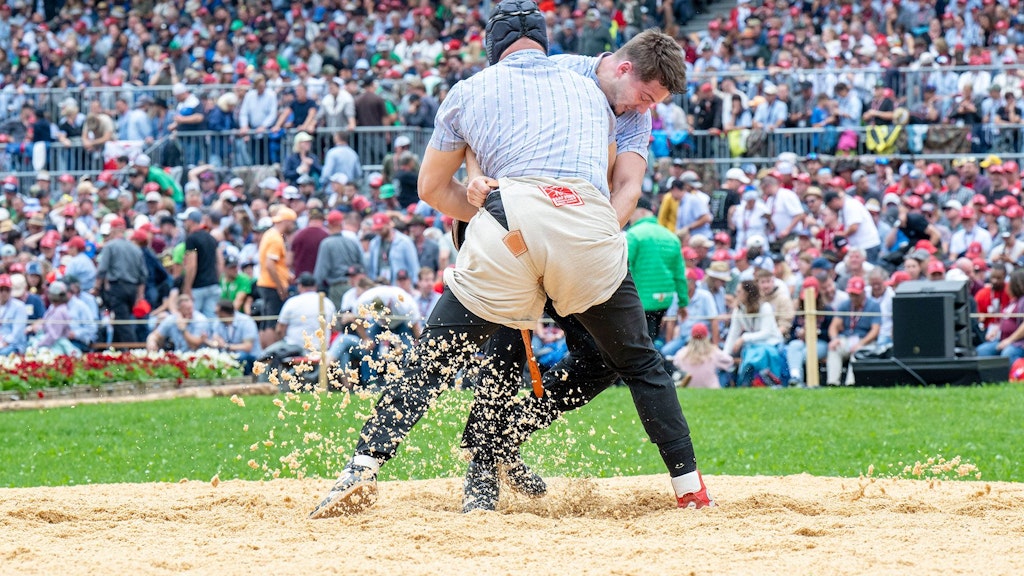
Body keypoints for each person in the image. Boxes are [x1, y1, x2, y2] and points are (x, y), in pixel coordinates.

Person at [310, 6, 712, 518]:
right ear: (623, 69)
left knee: (438, 361)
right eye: (645, 97)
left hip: (512, 226)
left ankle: (374, 465)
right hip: (572, 223)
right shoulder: (579, 84)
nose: (642, 108)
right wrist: (586, 235)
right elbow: (603, 176)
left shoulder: (490, 84)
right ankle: (686, 488)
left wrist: (484, 197)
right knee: (629, 361)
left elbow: (445, 175)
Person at [626, 195, 688, 344]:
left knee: (639, 344)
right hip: (664, 300)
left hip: (640, 301)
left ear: (640, 212)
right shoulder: (671, 237)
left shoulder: (633, 235)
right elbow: (679, 274)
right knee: (650, 339)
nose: (629, 219)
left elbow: (623, 268)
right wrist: (683, 303)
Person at [259, 272, 336, 372]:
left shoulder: (292, 302)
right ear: (315, 286)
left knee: (264, 356)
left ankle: (269, 384)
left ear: (300, 286)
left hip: (294, 346)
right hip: (322, 347)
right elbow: (333, 328)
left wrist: (282, 341)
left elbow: (279, 330)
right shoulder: (327, 302)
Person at [724, 279, 786, 387]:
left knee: (756, 354)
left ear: (747, 293)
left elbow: (766, 333)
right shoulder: (739, 310)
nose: (736, 294)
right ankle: (746, 382)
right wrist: (725, 355)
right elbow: (733, 334)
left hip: (771, 344)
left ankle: (758, 382)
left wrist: (744, 338)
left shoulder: (765, 307)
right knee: (749, 353)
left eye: (739, 292)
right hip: (753, 346)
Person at [95, 217, 148, 343]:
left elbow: (102, 269)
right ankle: (116, 348)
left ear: (113, 230)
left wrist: (96, 287)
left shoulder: (110, 246)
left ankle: (132, 352)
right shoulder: (135, 248)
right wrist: (140, 295)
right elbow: (143, 275)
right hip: (132, 289)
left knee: (122, 322)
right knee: (120, 319)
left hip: (117, 288)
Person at [826, 276, 881, 386]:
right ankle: (832, 383)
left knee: (858, 352)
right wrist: (835, 339)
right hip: (846, 337)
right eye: (851, 294)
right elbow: (833, 326)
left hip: (864, 340)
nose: (854, 298)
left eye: (856, 295)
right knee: (834, 348)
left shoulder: (873, 305)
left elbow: (875, 330)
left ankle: (852, 383)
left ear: (863, 293)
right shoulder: (845, 304)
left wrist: (861, 343)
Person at [256, 207, 297, 348]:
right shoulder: (275, 238)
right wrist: (280, 286)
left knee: (266, 322)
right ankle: (271, 355)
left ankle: (266, 355)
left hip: (266, 282)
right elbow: (270, 264)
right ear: (286, 221)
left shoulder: (270, 234)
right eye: (292, 222)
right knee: (272, 322)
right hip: (271, 285)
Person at [314, 211, 365, 308]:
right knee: (356, 319)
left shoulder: (326, 243)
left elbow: (321, 270)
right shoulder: (352, 242)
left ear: (329, 225)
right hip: (355, 286)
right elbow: (362, 264)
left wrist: (315, 286)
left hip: (337, 287)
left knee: (339, 318)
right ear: (342, 224)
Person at [180, 208, 222, 319]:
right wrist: (217, 279)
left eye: (186, 220)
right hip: (213, 284)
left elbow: (191, 265)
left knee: (193, 320)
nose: (185, 223)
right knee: (211, 320)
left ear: (191, 221)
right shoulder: (211, 238)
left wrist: (187, 287)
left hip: (198, 286)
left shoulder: (192, 239)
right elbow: (220, 262)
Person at [977, 268, 1024, 362]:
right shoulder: (1013, 301)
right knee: (982, 350)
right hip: (1003, 339)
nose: (1007, 286)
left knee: (1008, 353)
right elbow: (1006, 320)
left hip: (1019, 342)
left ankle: (1013, 376)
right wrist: (996, 330)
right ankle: (990, 376)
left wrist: (1009, 340)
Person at [671, 323, 734, 389]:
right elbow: (730, 361)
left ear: (691, 337)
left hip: (687, 387)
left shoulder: (682, 353)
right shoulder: (714, 352)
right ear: (706, 337)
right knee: (723, 371)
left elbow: (675, 364)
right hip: (711, 389)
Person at [207, 299, 261, 374]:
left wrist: (226, 346)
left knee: (241, 357)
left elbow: (248, 347)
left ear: (224, 313)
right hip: (229, 356)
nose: (216, 315)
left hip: (250, 358)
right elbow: (215, 340)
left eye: (217, 312)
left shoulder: (246, 321)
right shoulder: (218, 322)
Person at [146, 293, 212, 352]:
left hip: (198, 356)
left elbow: (194, 346)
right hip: (178, 355)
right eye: (187, 309)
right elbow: (155, 335)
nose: (190, 312)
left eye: (191, 308)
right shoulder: (172, 319)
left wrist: (183, 330)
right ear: (179, 310)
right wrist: (151, 342)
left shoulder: (200, 320)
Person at [0, 274, 28, 355]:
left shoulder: (19, 306)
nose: (4, 293)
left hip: (14, 345)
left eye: (7, 290)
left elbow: (17, 334)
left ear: (11, 290)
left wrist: (5, 342)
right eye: (1, 289)